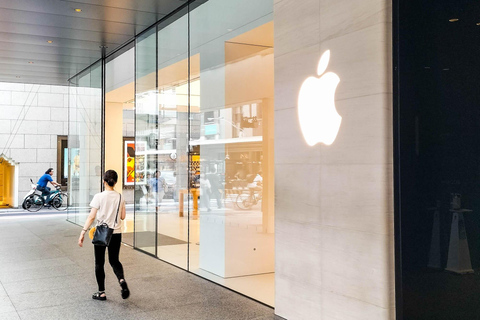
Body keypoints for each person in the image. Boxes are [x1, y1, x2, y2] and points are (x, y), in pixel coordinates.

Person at [78, 170, 130, 301]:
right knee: (114, 260)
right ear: (116, 182)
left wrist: (83, 232)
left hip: (101, 233)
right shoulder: (120, 197)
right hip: (116, 233)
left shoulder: (99, 196)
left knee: (99, 263)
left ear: (104, 181)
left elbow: (91, 217)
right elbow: (123, 217)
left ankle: (101, 292)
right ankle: (122, 281)